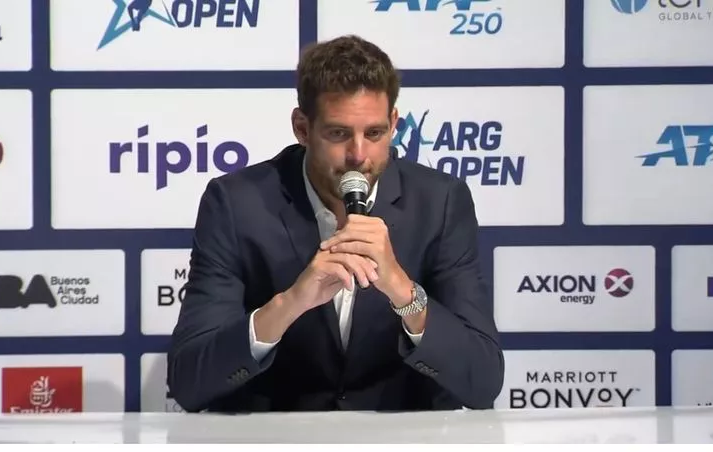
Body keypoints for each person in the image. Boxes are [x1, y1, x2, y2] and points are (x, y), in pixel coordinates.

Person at [167, 35, 505, 412]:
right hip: (279, 435)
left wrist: (404, 292)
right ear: (302, 128)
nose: (358, 155)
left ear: (394, 123)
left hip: (402, 435)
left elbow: (483, 382)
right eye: (339, 134)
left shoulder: (440, 202)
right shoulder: (236, 204)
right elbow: (189, 383)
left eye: (374, 133)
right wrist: (290, 304)